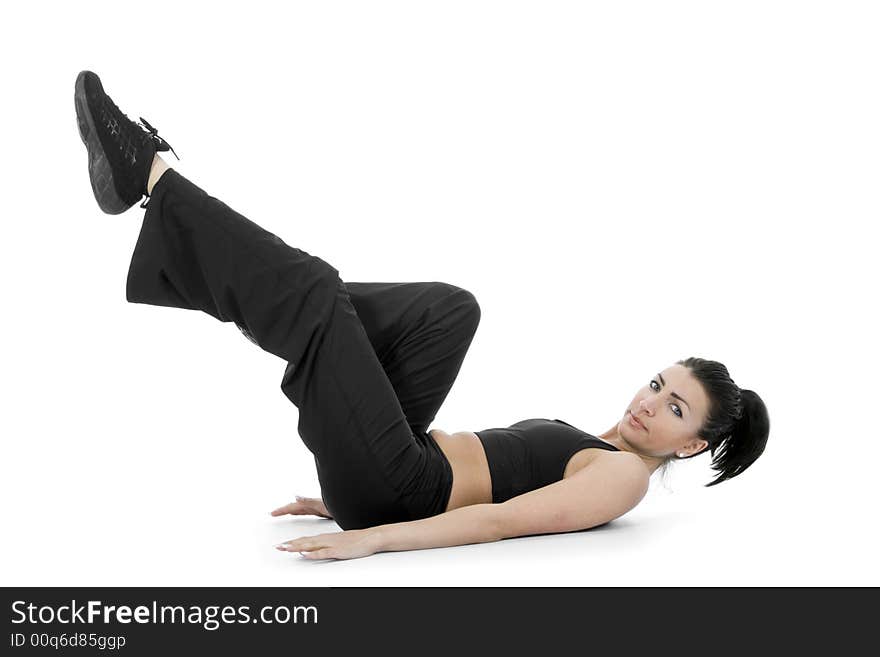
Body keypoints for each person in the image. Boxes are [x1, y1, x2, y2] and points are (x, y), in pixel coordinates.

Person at [74, 70, 771, 561]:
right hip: (390, 464)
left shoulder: (623, 476)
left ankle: (152, 175)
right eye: (659, 383)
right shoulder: (603, 442)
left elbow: (497, 522)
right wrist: (343, 489)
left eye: (676, 408)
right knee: (448, 310)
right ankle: (250, 282)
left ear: (688, 446)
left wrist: (370, 532)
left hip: (400, 489)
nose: (652, 402)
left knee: (314, 294)